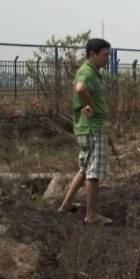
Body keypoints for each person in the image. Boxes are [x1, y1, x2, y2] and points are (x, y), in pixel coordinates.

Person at [58, 38, 113, 224]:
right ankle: (91, 215)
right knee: (93, 172)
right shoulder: (87, 72)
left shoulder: (92, 72)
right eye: (105, 55)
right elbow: (80, 88)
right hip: (92, 129)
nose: (108, 59)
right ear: (93, 54)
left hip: (86, 128)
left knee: (83, 170)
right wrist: (90, 105)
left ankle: (65, 205)